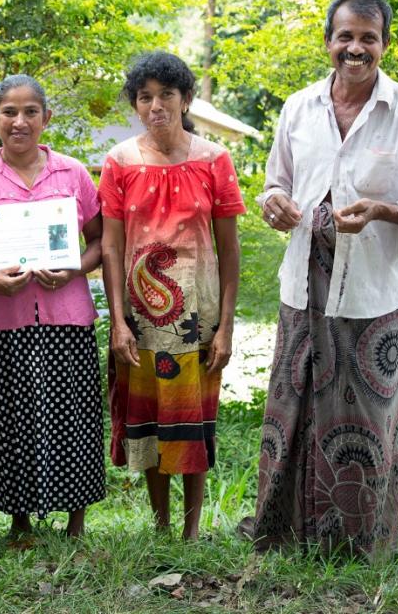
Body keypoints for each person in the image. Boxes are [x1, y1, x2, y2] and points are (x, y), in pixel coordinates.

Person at [241, 0, 398, 558]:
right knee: (293, 409)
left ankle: (357, 544)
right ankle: (285, 533)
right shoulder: (298, 108)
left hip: (370, 292)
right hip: (303, 285)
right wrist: (273, 202)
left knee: (364, 414)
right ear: (328, 42)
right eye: (345, 36)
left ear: (385, 45)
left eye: (368, 37)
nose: (355, 48)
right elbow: (277, 184)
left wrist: (385, 211)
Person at [0, 75, 105, 538]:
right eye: (9, 112)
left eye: (30, 112)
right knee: (8, 416)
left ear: (46, 118)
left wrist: (74, 269)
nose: (20, 122)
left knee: (72, 415)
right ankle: (19, 520)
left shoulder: (74, 174)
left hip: (67, 316)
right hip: (0, 320)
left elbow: (99, 242)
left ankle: (76, 520)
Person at [100, 52, 245, 540]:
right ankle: (161, 529)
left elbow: (229, 249)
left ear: (185, 99)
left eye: (167, 94)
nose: (156, 105)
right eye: (145, 96)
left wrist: (226, 326)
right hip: (140, 322)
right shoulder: (119, 163)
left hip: (198, 321)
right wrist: (117, 322)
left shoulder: (213, 160)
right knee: (149, 424)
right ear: (136, 105)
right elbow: (112, 245)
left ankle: (191, 532)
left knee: (194, 421)